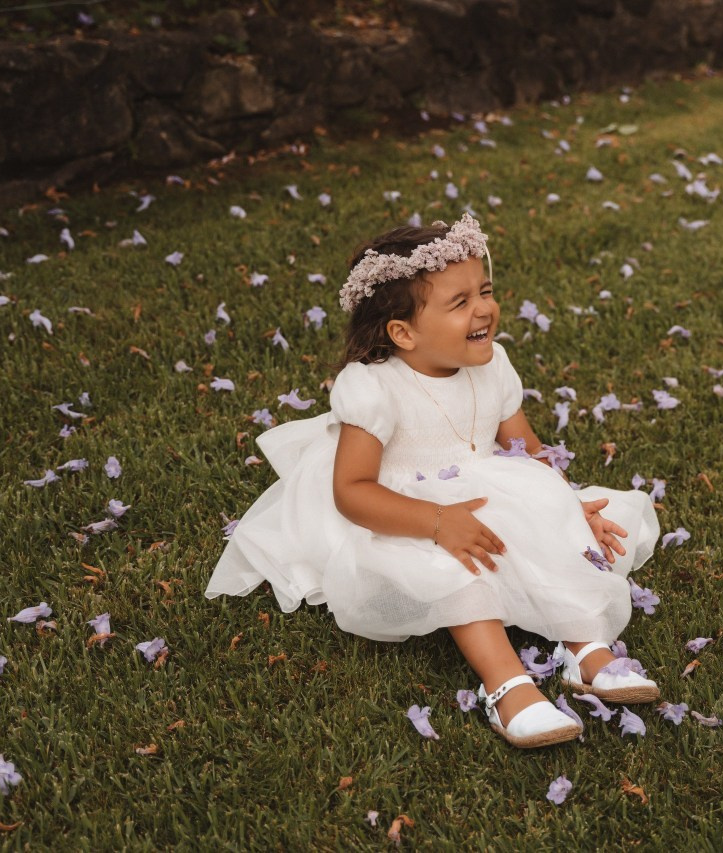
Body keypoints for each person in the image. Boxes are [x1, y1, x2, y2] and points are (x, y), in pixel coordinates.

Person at [205, 213, 660, 748]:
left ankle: (587, 650)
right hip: (397, 505)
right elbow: (351, 490)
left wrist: (563, 505)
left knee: (554, 527)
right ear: (403, 333)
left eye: (484, 291)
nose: (485, 309)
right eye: (460, 303)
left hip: (485, 487)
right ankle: (505, 683)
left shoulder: (494, 365)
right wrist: (438, 522)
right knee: (456, 568)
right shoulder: (375, 389)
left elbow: (527, 453)